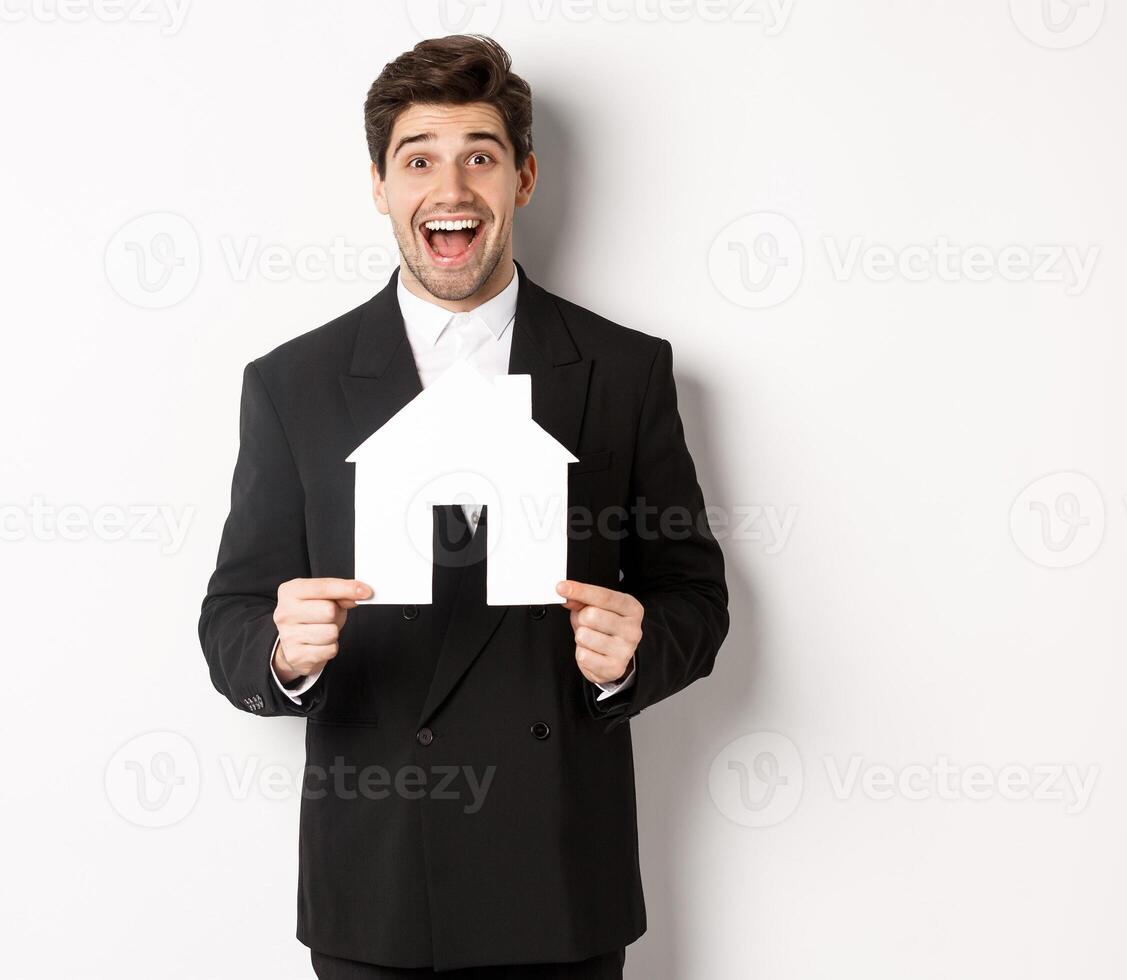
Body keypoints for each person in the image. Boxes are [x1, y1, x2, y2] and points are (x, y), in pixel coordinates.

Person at [197, 34, 730, 977]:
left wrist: (634, 655)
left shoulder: (625, 370)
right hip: (378, 889)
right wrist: (280, 654)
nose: (451, 188)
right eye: (419, 160)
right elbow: (230, 615)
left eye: (480, 156)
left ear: (523, 179)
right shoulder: (292, 384)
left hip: (560, 879)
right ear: (379, 185)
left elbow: (695, 595)